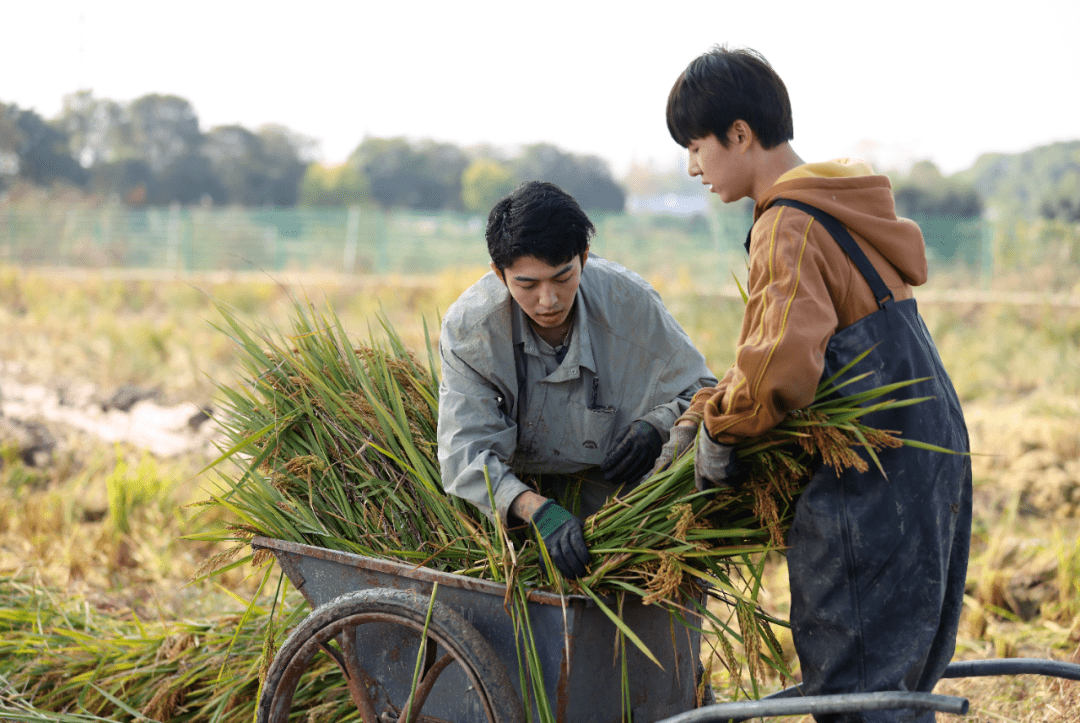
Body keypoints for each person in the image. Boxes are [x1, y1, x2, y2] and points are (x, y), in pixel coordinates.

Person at [657, 46, 972, 722]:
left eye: (696, 145)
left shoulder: (788, 222)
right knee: (898, 679)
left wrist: (719, 431)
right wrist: (703, 406)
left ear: (740, 134)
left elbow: (779, 368)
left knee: (857, 690)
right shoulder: (838, 205)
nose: (692, 166)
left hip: (872, 477)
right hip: (929, 455)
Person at [437, 180, 716, 580]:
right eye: (527, 285)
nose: (548, 300)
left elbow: (703, 390)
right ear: (499, 275)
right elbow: (464, 450)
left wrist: (654, 428)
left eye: (563, 277)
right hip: (519, 509)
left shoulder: (629, 303)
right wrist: (539, 512)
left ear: (584, 257)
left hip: (625, 505)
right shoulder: (471, 330)